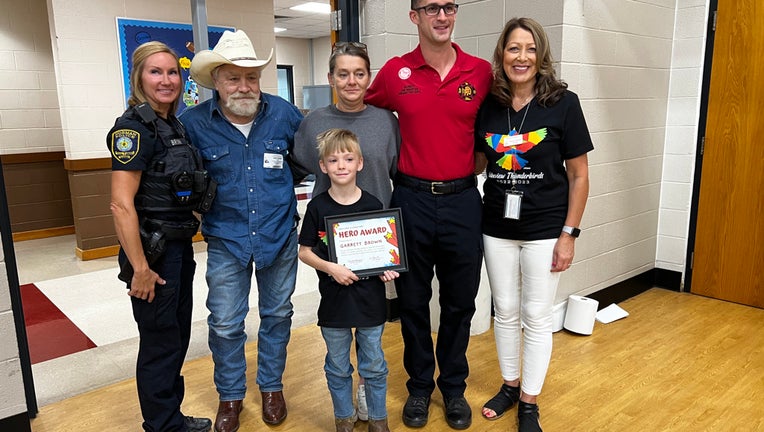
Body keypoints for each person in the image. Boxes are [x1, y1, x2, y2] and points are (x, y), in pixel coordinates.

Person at [364, 1, 493, 429]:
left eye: (449, 7)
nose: (442, 16)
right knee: (413, 301)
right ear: (414, 16)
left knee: (460, 302)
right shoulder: (395, 73)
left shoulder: (480, 72)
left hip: (462, 200)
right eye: (431, 8)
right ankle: (420, 386)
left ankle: (453, 387)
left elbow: (495, 125)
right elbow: (363, 112)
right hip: (411, 199)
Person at [180, 30, 304, 432]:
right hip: (226, 240)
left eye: (251, 77)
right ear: (216, 81)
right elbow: (184, 179)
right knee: (225, 323)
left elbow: (302, 163)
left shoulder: (284, 114)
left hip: (278, 236)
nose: (244, 86)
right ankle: (230, 395)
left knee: (277, 315)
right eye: (233, 78)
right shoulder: (193, 125)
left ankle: (271, 387)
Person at [474, 17, 593, 432]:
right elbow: (478, 162)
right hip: (496, 227)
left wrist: (569, 235)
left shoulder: (564, 103)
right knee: (505, 311)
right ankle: (510, 385)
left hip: (546, 229)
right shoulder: (489, 104)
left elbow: (579, 176)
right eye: (513, 48)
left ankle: (529, 401)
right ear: (502, 55)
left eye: (529, 49)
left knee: (536, 316)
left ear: (541, 55)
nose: (521, 57)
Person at [292, 41, 400, 423]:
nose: (351, 81)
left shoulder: (387, 121)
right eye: (343, 74)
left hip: (375, 247)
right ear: (331, 78)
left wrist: (393, 253)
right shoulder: (313, 123)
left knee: (371, 341)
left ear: (368, 77)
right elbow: (300, 165)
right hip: (333, 250)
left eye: (359, 73)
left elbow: (399, 174)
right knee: (338, 345)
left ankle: (371, 403)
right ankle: (344, 413)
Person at [108, 41, 213, 432]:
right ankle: (163, 426)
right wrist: (140, 268)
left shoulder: (173, 125)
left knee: (175, 337)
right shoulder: (133, 129)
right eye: (155, 72)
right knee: (159, 343)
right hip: (152, 255)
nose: (166, 80)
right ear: (139, 77)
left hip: (178, 246)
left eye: (172, 72)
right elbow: (121, 205)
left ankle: (170, 418)